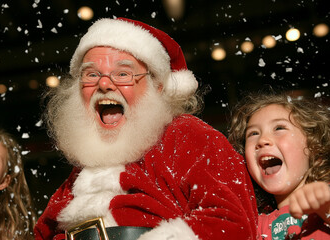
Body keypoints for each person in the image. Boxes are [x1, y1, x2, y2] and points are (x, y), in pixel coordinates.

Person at [34, 17, 258, 240]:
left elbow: (233, 221)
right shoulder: (82, 168)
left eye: (123, 74)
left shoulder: (188, 136)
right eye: (91, 75)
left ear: (157, 87)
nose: (103, 84)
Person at [228, 92, 330, 239]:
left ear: (315, 148)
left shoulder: (325, 199)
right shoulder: (254, 224)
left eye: (279, 128)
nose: (263, 139)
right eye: (253, 133)